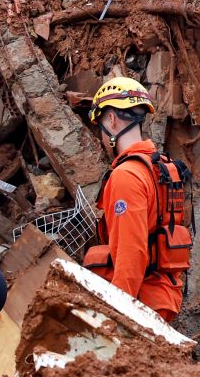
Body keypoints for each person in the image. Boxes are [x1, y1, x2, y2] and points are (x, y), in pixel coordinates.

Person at [82, 76, 191, 323]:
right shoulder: (160, 167)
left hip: (140, 303)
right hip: (162, 297)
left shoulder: (126, 176)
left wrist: (115, 317)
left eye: (100, 124)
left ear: (110, 119)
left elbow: (132, 254)